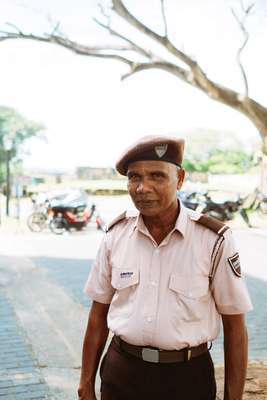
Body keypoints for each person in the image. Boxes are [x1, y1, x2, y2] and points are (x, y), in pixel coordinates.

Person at [78, 135, 253, 400]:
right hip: (122, 372)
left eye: (157, 176)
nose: (142, 188)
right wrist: (85, 383)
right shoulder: (116, 235)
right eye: (134, 177)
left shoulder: (214, 240)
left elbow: (235, 327)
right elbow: (98, 314)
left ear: (180, 179)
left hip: (187, 378)